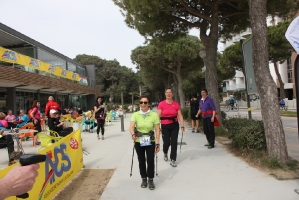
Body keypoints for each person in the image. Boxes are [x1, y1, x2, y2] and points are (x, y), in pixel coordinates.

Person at [130, 95, 160, 190]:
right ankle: (144, 178)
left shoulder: (154, 115)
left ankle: (150, 179)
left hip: (150, 140)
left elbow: (157, 130)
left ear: (149, 104)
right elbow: (131, 127)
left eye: (145, 102)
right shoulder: (135, 114)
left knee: (150, 160)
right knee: (141, 160)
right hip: (139, 141)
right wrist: (133, 134)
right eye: (141, 102)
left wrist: (158, 144)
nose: (143, 104)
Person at [157, 87, 185, 167]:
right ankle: (165, 152)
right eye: (167, 92)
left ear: (172, 94)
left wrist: (182, 126)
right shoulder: (161, 104)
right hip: (165, 126)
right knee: (166, 143)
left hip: (174, 126)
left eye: (170, 92)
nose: (168, 94)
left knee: (174, 142)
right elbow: (158, 116)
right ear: (165, 94)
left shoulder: (176, 104)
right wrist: (158, 127)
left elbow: (180, 115)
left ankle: (173, 159)